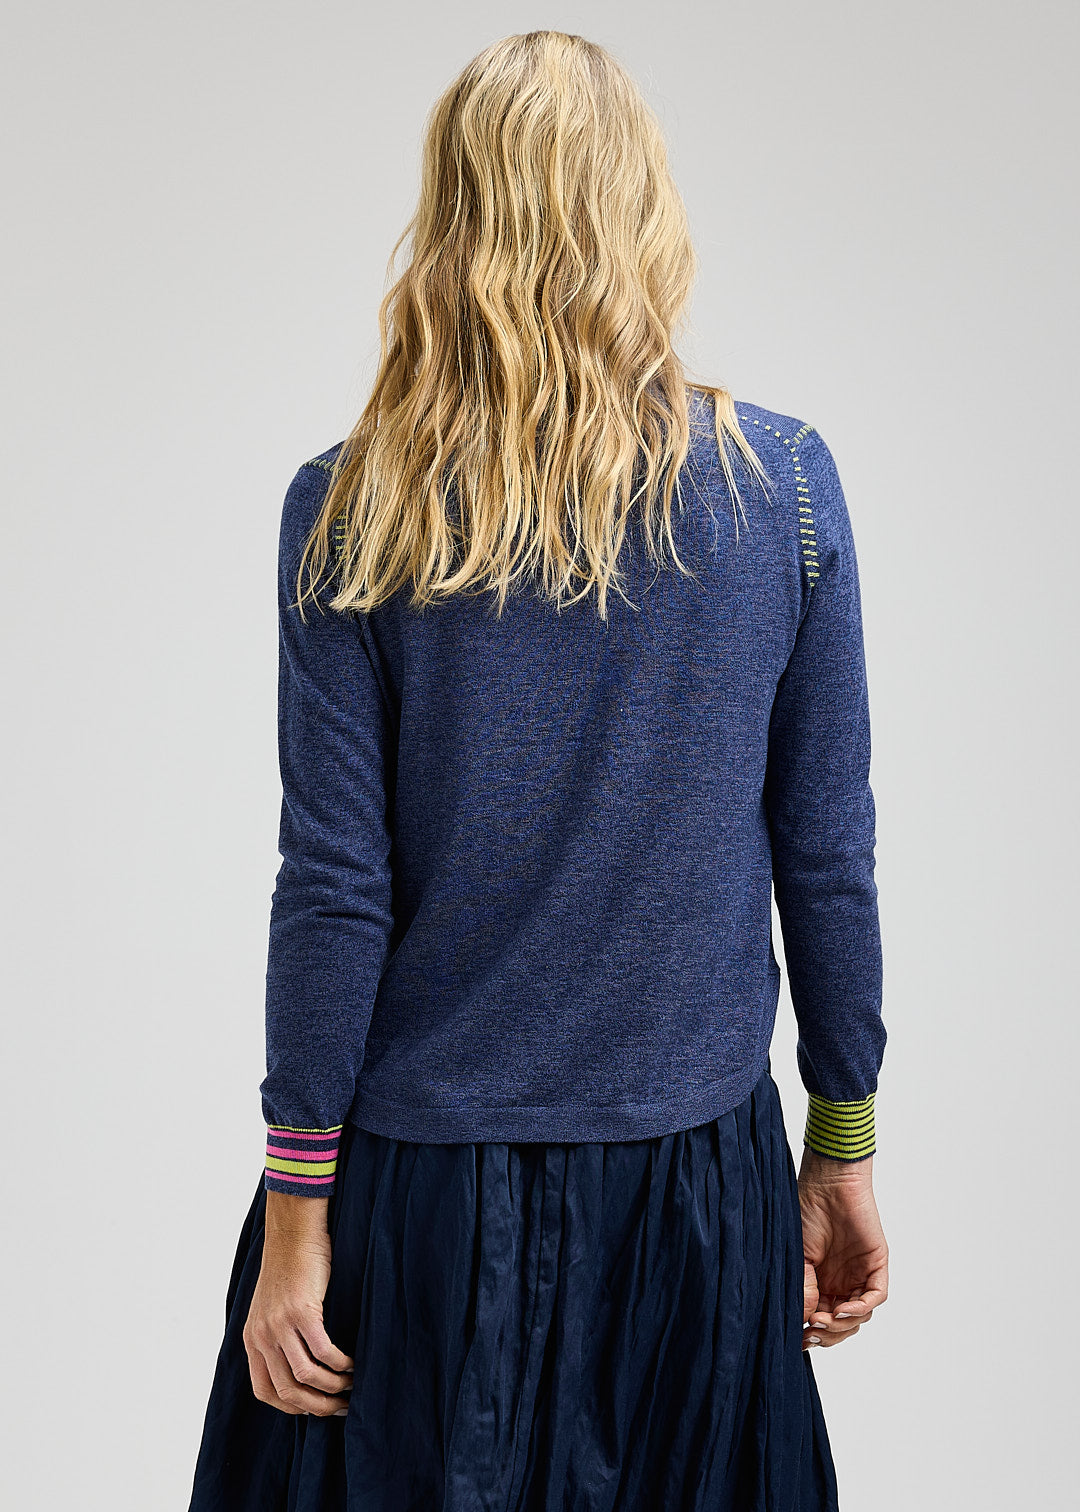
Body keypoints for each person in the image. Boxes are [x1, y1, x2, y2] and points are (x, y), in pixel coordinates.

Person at [186, 28, 889, 1512]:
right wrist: (842, 1144)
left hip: (419, 1199)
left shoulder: (356, 508)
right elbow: (826, 851)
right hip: (696, 1189)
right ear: (646, 211)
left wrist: (298, 1217)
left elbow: (335, 886)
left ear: (451, 219)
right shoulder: (782, 490)